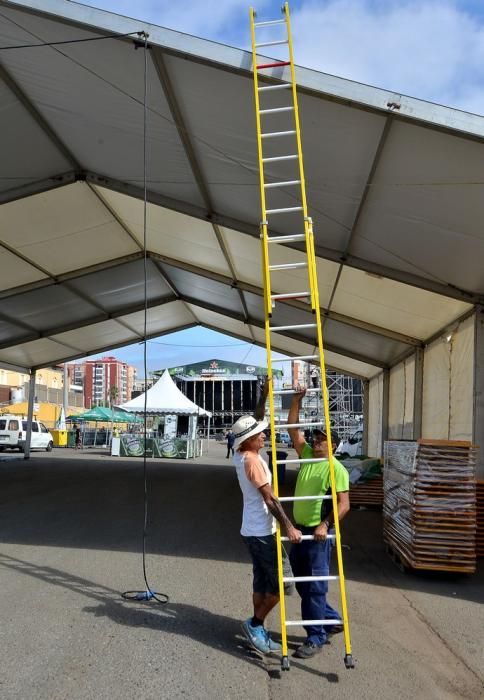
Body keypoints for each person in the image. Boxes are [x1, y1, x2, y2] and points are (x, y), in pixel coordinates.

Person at [233, 379, 302, 656]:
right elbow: (270, 498)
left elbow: (256, 419)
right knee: (281, 584)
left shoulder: (242, 454)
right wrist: (289, 527)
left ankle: (257, 629)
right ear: (249, 439)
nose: (265, 434)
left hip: (252, 530)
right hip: (262, 531)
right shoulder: (252, 461)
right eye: (260, 434)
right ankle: (255, 623)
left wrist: (264, 395)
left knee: (261, 581)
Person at [287, 388, 350, 659]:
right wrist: (296, 401)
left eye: (323, 440)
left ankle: (316, 636)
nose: (317, 441)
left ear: (333, 445)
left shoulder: (337, 468)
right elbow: (293, 431)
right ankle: (332, 619)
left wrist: (325, 524)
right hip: (298, 530)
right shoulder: (308, 455)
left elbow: (343, 503)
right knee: (302, 584)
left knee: (314, 586)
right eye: (317, 437)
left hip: (318, 534)